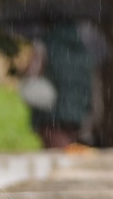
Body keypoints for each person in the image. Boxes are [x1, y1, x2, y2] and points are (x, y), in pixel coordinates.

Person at [20, 20, 96, 148]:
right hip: (78, 111)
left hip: (51, 110)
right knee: (69, 148)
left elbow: (32, 72)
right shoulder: (83, 46)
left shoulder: (45, 42)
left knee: (57, 153)